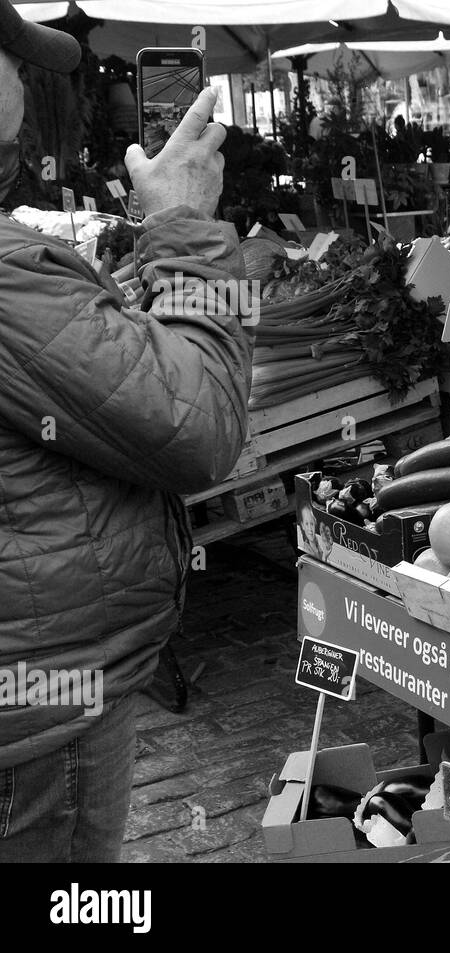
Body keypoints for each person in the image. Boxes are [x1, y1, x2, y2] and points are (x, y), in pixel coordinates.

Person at [0, 5, 253, 862]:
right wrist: (184, 227)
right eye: (12, 64)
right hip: (40, 710)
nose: (31, 90)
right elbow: (202, 427)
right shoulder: (9, 284)